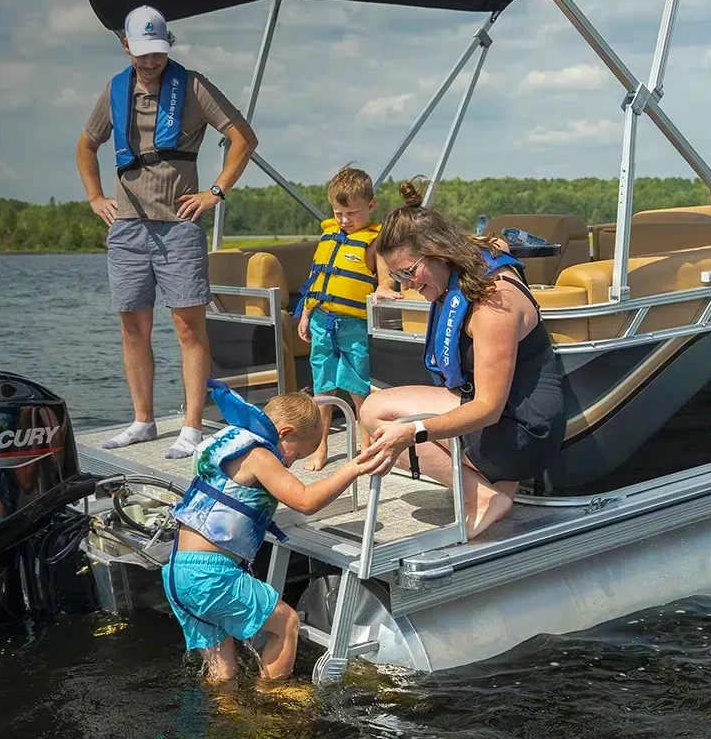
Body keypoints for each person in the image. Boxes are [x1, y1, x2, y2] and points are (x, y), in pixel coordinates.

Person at [76, 5, 259, 459]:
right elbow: (86, 144)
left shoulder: (192, 85)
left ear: (167, 45)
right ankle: (143, 421)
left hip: (179, 226)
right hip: (127, 229)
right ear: (126, 46)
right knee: (132, 328)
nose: (151, 62)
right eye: (142, 53)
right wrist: (97, 197)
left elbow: (243, 138)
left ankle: (192, 426)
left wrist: (215, 191)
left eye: (158, 52)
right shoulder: (115, 89)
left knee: (188, 328)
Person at [357, 180, 569, 539]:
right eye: (397, 276)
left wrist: (412, 433)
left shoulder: (492, 305)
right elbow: (495, 242)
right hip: (509, 415)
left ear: (439, 253)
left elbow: (487, 408)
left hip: (525, 433)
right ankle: (496, 486)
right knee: (379, 410)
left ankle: (485, 497)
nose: (406, 284)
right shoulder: (467, 263)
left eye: (409, 272)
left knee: (377, 415)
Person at [163, 381, 393, 684]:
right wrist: (352, 469)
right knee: (286, 623)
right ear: (284, 433)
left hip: (179, 572)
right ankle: (272, 701)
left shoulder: (230, 440)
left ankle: (225, 713)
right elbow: (305, 501)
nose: (291, 463)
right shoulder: (259, 455)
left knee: (223, 673)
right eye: (296, 455)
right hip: (211, 576)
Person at [293, 165, 397, 471]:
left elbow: (386, 279)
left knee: (357, 387)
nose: (344, 220)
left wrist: (383, 291)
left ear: (371, 206)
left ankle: (365, 444)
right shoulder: (329, 235)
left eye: (351, 213)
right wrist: (306, 312)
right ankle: (321, 445)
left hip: (352, 325)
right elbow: (315, 281)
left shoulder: (374, 241)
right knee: (323, 386)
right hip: (321, 320)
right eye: (338, 213)